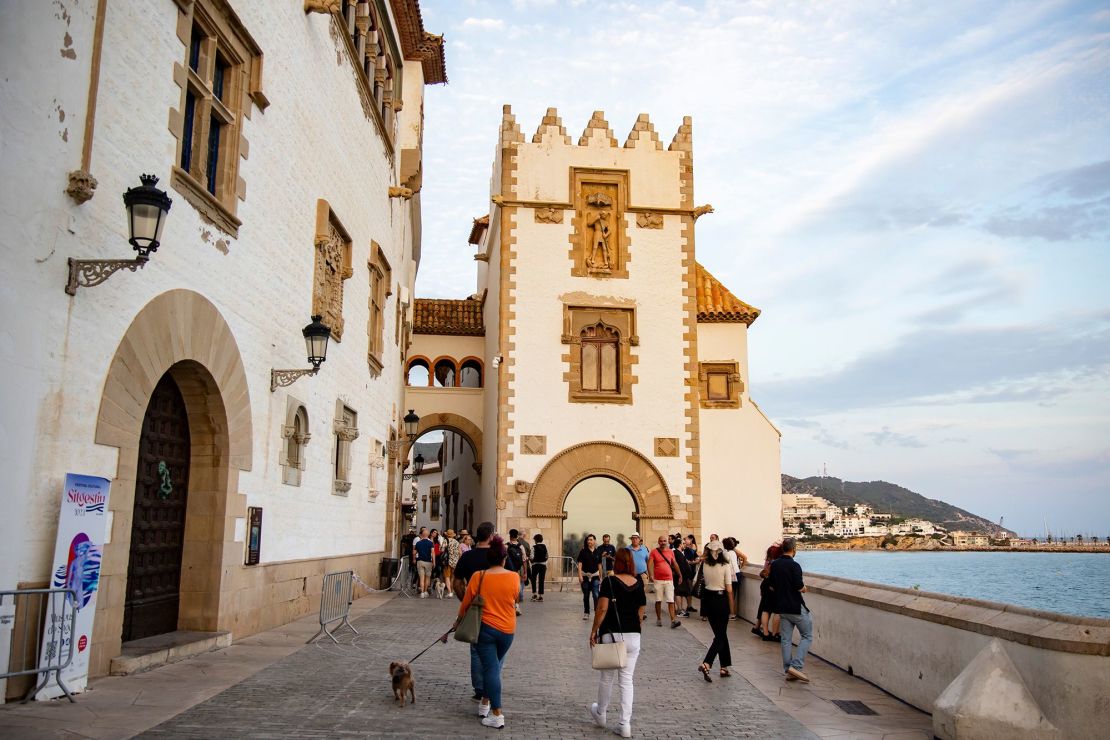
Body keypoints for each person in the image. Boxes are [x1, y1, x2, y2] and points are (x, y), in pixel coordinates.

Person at [451, 535, 519, 729]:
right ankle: (485, 703)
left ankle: (497, 714)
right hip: (507, 630)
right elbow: (517, 597)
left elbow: (466, 603)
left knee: (490, 669)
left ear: (489, 559)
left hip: (485, 629)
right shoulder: (513, 577)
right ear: (504, 559)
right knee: (494, 667)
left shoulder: (478, 576)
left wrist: (458, 621)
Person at [588, 548, 646, 739]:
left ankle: (601, 713)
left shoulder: (610, 581)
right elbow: (641, 610)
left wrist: (594, 630)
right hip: (633, 636)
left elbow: (602, 608)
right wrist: (637, 626)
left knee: (607, 678)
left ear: (617, 562)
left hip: (612, 634)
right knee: (627, 680)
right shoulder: (639, 583)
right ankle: (624, 724)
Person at [453, 521, 495, 701]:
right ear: (492, 536)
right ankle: (491, 686)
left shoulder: (468, 557)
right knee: (495, 650)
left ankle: (479, 689)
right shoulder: (498, 556)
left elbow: (456, 583)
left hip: (475, 609)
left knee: (476, 649)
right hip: (497, 608)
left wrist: (466, 600)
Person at [769, 538, 812, 683]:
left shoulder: (774, 565)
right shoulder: (795, 566)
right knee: (807, 636)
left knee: (786, 639)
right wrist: (804, 588)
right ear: (794, 549)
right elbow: (799, 586)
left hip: (782, 607)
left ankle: (789, 670)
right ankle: (796, 666)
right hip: (795, 606)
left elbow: (772, 586)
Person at [697, 539, 733, 682]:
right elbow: (729, 589)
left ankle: (724, 666)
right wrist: (732, 607)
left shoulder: (704, 564)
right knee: (720, 636)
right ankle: (707, 663)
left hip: (707, 601)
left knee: (720, 634)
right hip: (721, 600)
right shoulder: (725, 566)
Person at [648, 535, 683, 628]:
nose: (663, 542)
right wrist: (651, 574)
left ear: (667, 542)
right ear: (658, 542)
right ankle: (659, 618)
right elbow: (650, 563)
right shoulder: (654, 552)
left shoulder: (671, 552)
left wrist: (680, 574)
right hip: (658, 580)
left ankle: (673, 620)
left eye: (664, 541)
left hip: (669, 580)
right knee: (658, 600)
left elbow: (675, 563)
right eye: (661, 541)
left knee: (671, 601)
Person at [753, 542, 782, 641]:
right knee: (777, 611)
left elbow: (763, 573)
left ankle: (765, 632)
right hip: (772, 587)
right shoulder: (777, 563)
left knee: (765, 609)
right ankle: (775, 633)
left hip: (765, 585)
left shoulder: (768, 562)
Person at [577, 534, 602, 621]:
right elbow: (580, 564)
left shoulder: (598, 552)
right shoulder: (583, 551)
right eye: (588, 540)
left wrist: (601, 577)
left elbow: (600, 565)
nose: (589, 541)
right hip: (585, 577)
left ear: (594, 541)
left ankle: (596, 612)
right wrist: (580, 576)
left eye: (591, 540)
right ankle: (586, 613)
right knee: (586, 596)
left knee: (596, 595)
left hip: (595, 576)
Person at [507, 529, 529, 615]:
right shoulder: (521, 546)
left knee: (509, 588)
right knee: (517, 587)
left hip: (508, 570)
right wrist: (525, 572)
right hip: (518, 570)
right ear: (517, 536)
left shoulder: (506, 546)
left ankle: (509, 605)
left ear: (510, 535)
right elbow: (524, 561)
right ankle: (516, 606)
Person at [413, 527, 434, 598]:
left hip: (420, 561)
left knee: (421, 578)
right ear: (428, 535)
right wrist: (434, 562)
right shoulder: (430, 543)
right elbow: (433, 553)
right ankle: (425, 591)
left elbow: (414, 552)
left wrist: (414, 559)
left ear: (422, 535)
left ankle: (421, 593)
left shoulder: (418, 543)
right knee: (427, 578)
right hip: (428, 562)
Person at [530, 533, 548, 602]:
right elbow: (547, 556)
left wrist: (531, 560)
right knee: (541, 580)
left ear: (536, 540)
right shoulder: (544, 546)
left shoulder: (533, 547)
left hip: (535, 565)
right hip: (543, 565)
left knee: (533, 579)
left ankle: (534, 594)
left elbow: (531, 556)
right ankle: (541, 596)